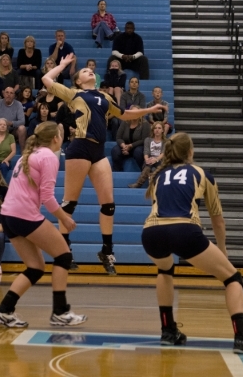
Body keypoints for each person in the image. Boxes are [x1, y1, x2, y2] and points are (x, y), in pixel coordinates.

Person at [141, 132, 243, 354]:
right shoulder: (202, 174)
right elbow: (217, 220)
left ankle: (168, 330)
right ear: (190, 152)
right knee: (232, 278)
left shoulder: (158, 175)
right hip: (184, 229)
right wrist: (222, 249)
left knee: (165, 270)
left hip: (150, 232)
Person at [41, 53, 166, 276]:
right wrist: (61, 65)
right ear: (78, 80)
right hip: (79, 147)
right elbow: (46, 80)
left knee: (108, 205)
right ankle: (63, 250)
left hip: (98, 152)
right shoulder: (74, 93)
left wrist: (148, 110)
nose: (90, 72)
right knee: (69, 204)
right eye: (85, 71)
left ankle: (106, 251)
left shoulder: (105, 97)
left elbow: (125, 114)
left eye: (91, 71)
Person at [0, 121, 87, 328]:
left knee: (35, 267)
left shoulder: (29, 155)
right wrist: (64, 218)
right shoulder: (49, 157)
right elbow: (48, 198)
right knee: (64, 255)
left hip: (7, 216)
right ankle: (60, 312)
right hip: (23, 215)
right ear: (56, 138)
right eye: (61, 133)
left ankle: (4, 310)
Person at [0, 87, 26, 153]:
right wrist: (1, 123)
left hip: (12, 130)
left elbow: (22, 121)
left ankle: (23, 152)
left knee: (22, 128)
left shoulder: (18, 104)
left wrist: (10, 123)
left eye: (11, 93)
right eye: (7, 92)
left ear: (14, 96)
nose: (8, 94)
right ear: (3, 94)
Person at [111, 105, 151, 171]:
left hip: (138, 146)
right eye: (132, 112)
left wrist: (131, 146)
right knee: (115, 151)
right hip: (125, 146)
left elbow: (144, 139)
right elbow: (118, 137)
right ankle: (118, 172)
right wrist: (123, 146)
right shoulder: (125, 122)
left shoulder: (145, 124)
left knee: (138, 152)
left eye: (136, 113)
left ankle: (144, 171)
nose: (134, 114)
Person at [128, 121, 166, 188]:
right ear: (153, 130)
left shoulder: (165, 141)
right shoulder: (148, 140)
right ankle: (138, 184)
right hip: (150, 160)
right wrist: (147, 159)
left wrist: (156, 159)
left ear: (162, 130)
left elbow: (163, 153)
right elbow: (146, 152)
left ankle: (141, 184)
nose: (157, 130)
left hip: (159, 160)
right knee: (148, 166)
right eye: (155, 128)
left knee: (157, 166)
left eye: (159, 128)